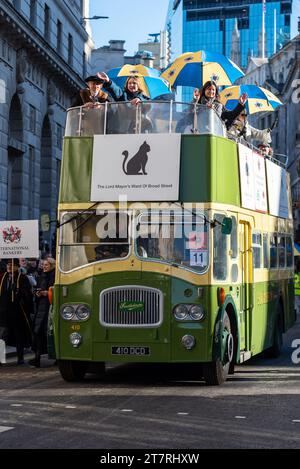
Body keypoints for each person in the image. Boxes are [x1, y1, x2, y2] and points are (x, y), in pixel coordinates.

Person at [176, 80, 247, 133]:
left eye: (213, 90)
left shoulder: (219, 105)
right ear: (204, 90)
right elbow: (190, 114)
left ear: (216, 92)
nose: (211, 91)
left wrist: (240, 104)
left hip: (216, 135)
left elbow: (231, 116)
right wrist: (195, 100)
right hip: (199, 134)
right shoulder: (199, 103)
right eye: (209, 89)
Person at [0, 259, 33, 365]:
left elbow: (28, 295)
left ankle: (20, 357)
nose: (9, 267)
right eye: (8, 265)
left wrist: (19, 291)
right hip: (4, 312)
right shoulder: (2, 277)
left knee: (19, 335)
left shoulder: (23, 278)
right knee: (2, 336)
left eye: (12, 265)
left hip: (17, 312)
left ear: (17, 267)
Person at [29, 258, 55, 368]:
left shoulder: (54, 276)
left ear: (52, 265)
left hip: (50, 307)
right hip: (41, 307)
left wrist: (47, 293)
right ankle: (37, 357)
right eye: (43, 264)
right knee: (37, 332)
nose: (44, 266)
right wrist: (37, 293)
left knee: (49, 333)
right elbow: (36, 289)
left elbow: (55, 290)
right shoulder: (40, 276)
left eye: (47, 265)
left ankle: (56, 356)